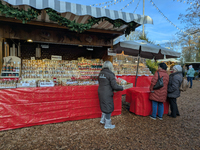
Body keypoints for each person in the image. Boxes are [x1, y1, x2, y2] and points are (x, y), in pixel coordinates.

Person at [98, 61, 123, 129]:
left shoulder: (101, 73)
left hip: (101, 92)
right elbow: (115, 86)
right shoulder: (110, 74)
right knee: (109, 108)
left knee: (104, 106)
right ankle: (107, 125)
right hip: (107, 93)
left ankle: (102, 120)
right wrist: (122, 87)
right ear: (110, 66)